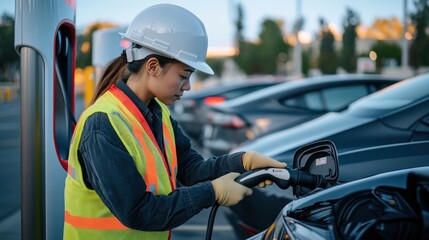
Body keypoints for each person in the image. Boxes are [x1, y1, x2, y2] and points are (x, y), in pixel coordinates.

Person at [63, 4, 286, 239]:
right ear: (153, 66)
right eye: (183, 76)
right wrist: (213, 192)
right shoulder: (103, 124)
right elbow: (139, 211)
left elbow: (192, 170)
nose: (188, 86)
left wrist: (242, 162)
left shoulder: (158, 113)